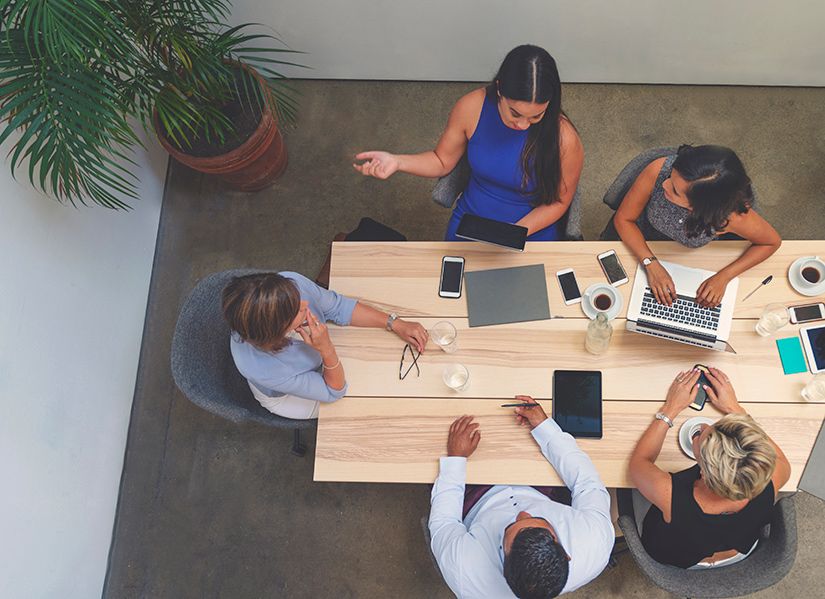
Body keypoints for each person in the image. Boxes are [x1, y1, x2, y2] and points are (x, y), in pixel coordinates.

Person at [353, 44, 583, 241]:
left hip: (530, 229)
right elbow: (442, 160)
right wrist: (397, 161)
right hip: (472, 219)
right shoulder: (472, 107)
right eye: (515, 113)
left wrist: (513, 233)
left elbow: (560, 202)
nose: (523, 125)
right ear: (500, 89)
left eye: (536, 116)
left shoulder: (565, 137)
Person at [428, 397, 613, 598]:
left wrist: (455, 458)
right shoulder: (595, 542)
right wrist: (545, 428)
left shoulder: (465, 573)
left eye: (509, 528)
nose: (523, 513)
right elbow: (587, 483)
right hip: (540, 488)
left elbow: (444, 523)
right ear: (567, 555)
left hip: (476, 500)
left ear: (503, 564)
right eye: (540, 520)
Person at [628, 367, 791, 569]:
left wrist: (670, 409)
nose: (704, 427)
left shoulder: (671, 495)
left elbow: (639, 463)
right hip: (736, 550)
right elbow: (780, 459)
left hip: (674, 554)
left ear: (704, 473)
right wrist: (735, 409)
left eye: (701, 439)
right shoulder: (772, 479)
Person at [222, 272, 428, 419]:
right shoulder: (264, 369)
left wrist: (395, 323)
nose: (305, 304)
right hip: (286, 394)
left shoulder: (292, 286)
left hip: (316, 360)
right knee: (358, 406)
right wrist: (326, 348)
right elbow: (334, 392)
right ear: (278, 330)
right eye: (296, 311)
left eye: (297, 299)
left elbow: (338, 307)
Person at [604, 145, 781, 307]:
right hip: (640, 237)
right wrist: (651, 264)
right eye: (670, 177)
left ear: (702, 207)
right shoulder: (658, 170)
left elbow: (771, 242)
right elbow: (624, 219)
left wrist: (724, 276)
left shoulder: (730, 216)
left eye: (674, 190)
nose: (664, 184)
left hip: (689, 260)